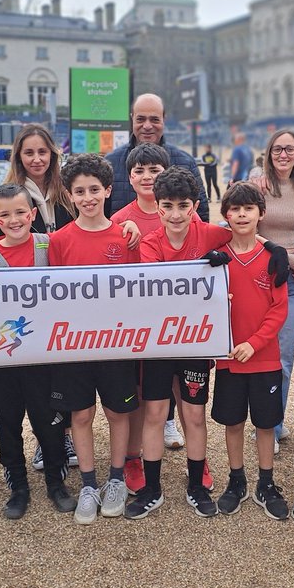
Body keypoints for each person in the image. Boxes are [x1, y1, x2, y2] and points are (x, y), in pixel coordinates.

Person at [128, 166, 233, 519]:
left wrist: (274, 253)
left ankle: (197, 485)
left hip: (195, 344)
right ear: (157, 207)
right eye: (168, 206)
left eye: (182, 206)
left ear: (195, 206)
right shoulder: (150, 242)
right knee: (155, 413)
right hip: (159, 343)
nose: (175, 214)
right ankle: (153, 488)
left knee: (194, 414)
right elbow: (158, 287)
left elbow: (243, 235)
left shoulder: (207, 233)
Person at [0, 184, 77, 518]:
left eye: (20, 212)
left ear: (32, 214)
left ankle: (55, 482)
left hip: (45, 358)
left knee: (49, 420)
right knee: (7, 422)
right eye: (5, 214)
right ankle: (17, 485)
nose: (14, 220)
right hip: (5, 361)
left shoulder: (51, 244)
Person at [48, 153, 141, 524]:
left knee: (118, 411)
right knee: (81, 414)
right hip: (75, 344)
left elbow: (144, 289)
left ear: (107, 190)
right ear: (70, 195)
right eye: (79, 191)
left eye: (94, 190)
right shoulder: (59, 240)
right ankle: (88, 483)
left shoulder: (126, 235)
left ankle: (116, 478)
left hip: (117, 343)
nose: (88, 197)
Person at [211, 183, 290, 521]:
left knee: (265, 424)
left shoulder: (273, 258)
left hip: (264, 358)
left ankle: (266, 483)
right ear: (226, 214)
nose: (242, 215)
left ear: (261, 214)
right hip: (228, 358)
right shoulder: (217, 260)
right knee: (233, 422)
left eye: (248, 209)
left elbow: (279, 309)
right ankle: (236, 480)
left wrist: (254, 343)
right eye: (235, 209)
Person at [111, 141, 170, 488]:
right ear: (129, 178)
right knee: (134, 391)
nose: (147, 177)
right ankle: (133, 457)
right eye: (139, 171)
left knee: (172, 392)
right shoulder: (119, 219)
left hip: (173, 325)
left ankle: (198, 458)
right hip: (132, 323)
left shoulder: (180, 213)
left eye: (154, 170)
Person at [256, 129, 294, 450]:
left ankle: (274, 423)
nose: (283, 155)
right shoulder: (257, 183)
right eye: (278, 149)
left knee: (283, 357)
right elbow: (245, 228)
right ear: (269, 152)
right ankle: (263, 421)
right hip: (262, 277)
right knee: (260, 355)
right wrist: (290, 260)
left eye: (290, 149)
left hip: (293, 284)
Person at [106, 93, 208, 220]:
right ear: (132, 118)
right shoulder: (111, 163)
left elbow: (202, 216)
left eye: (154, 119)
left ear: (164, 119)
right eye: (141, 119)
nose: (147, 126)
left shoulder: (185, 162)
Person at [3, 123, 74, 233]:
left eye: (42, 152)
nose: (37, 159)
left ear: (51, 154)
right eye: (29, 153)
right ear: (19, 157)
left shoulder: (66, 191)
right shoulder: (8, 196)